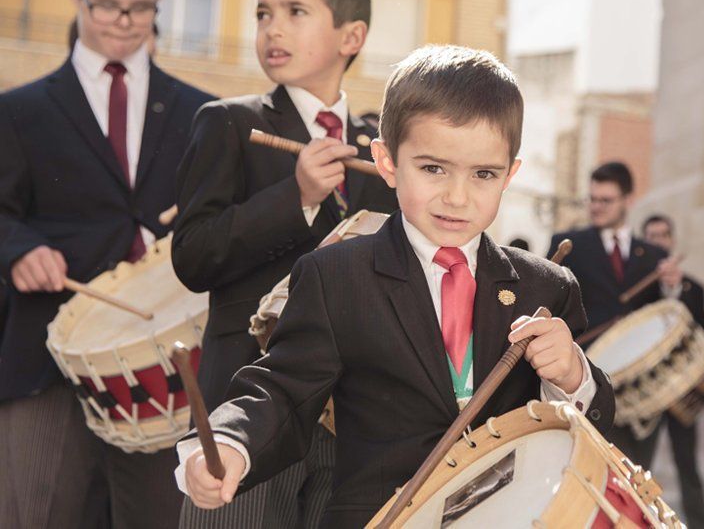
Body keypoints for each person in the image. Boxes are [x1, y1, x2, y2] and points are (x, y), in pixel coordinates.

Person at [177, 44, 616, 528]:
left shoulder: (546, 287)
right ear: (387, 162)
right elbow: (281, 392)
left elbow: (589, 426)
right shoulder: (335, 275)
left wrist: (572, 376)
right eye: (433, 169)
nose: (456, 196)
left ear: (510, 174)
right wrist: (229, 443)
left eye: (483, 174)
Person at [171, 0, 398, 526]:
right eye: (263, 12)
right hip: (246, 404)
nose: (273, 27)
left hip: (350, 419)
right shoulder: (228, 121)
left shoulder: (379, 147)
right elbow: (193, 255)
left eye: (296, 11)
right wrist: (293, 197)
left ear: (353, 36)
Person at [0, 0, 212, 527]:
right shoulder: (18, 110)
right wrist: (19, 249)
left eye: (141, 8)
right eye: (109, 6)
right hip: (45, 355)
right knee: (37, 515)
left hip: (163, 364)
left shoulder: (201, 112)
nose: (124, 20)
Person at [547, 161, 681, 470]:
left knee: (638, 472)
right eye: (592, 199)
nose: (596, 207)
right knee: (593, 469)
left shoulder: (654, 255)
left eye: (605, 200)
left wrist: (673, 287)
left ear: (628, 200)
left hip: (642, 384)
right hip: (588, 379)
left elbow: (665, 315)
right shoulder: (569, 246)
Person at [642, 213, 704, 529]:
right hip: (645, 391)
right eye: (651, 236)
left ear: (672, 241)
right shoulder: (637, 289)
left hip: (680, 389)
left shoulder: (694, 288)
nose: (657, 241)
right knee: (637, 464)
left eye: (663, 235)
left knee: (687, 464)